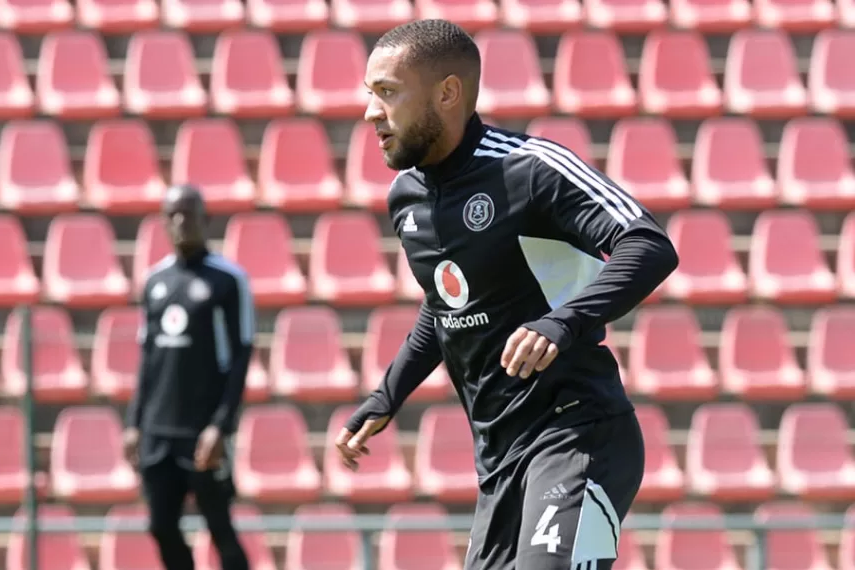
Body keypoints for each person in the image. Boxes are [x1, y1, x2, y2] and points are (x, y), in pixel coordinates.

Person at [337, 19, 679, 570]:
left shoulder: (528, 169)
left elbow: (648, 243)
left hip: (576, 434)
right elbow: (446, 301)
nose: (371, 113)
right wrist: (388, 394)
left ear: (447, 93)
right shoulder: (407, 198)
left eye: (387, 93)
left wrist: (561, 323)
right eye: (370, 95)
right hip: (499, 458)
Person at [124, 184, 253, 570]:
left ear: (205, 219)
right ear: (164, 222)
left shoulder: (227, 280)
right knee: (160, 526)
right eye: (173, 215)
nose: (181, 222)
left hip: (202, 433)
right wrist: (134, 423)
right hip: (159, 432)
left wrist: (221, 426)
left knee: (220, 529)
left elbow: (241, 355)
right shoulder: (154, 281)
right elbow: (147, 357)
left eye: (189, 213)